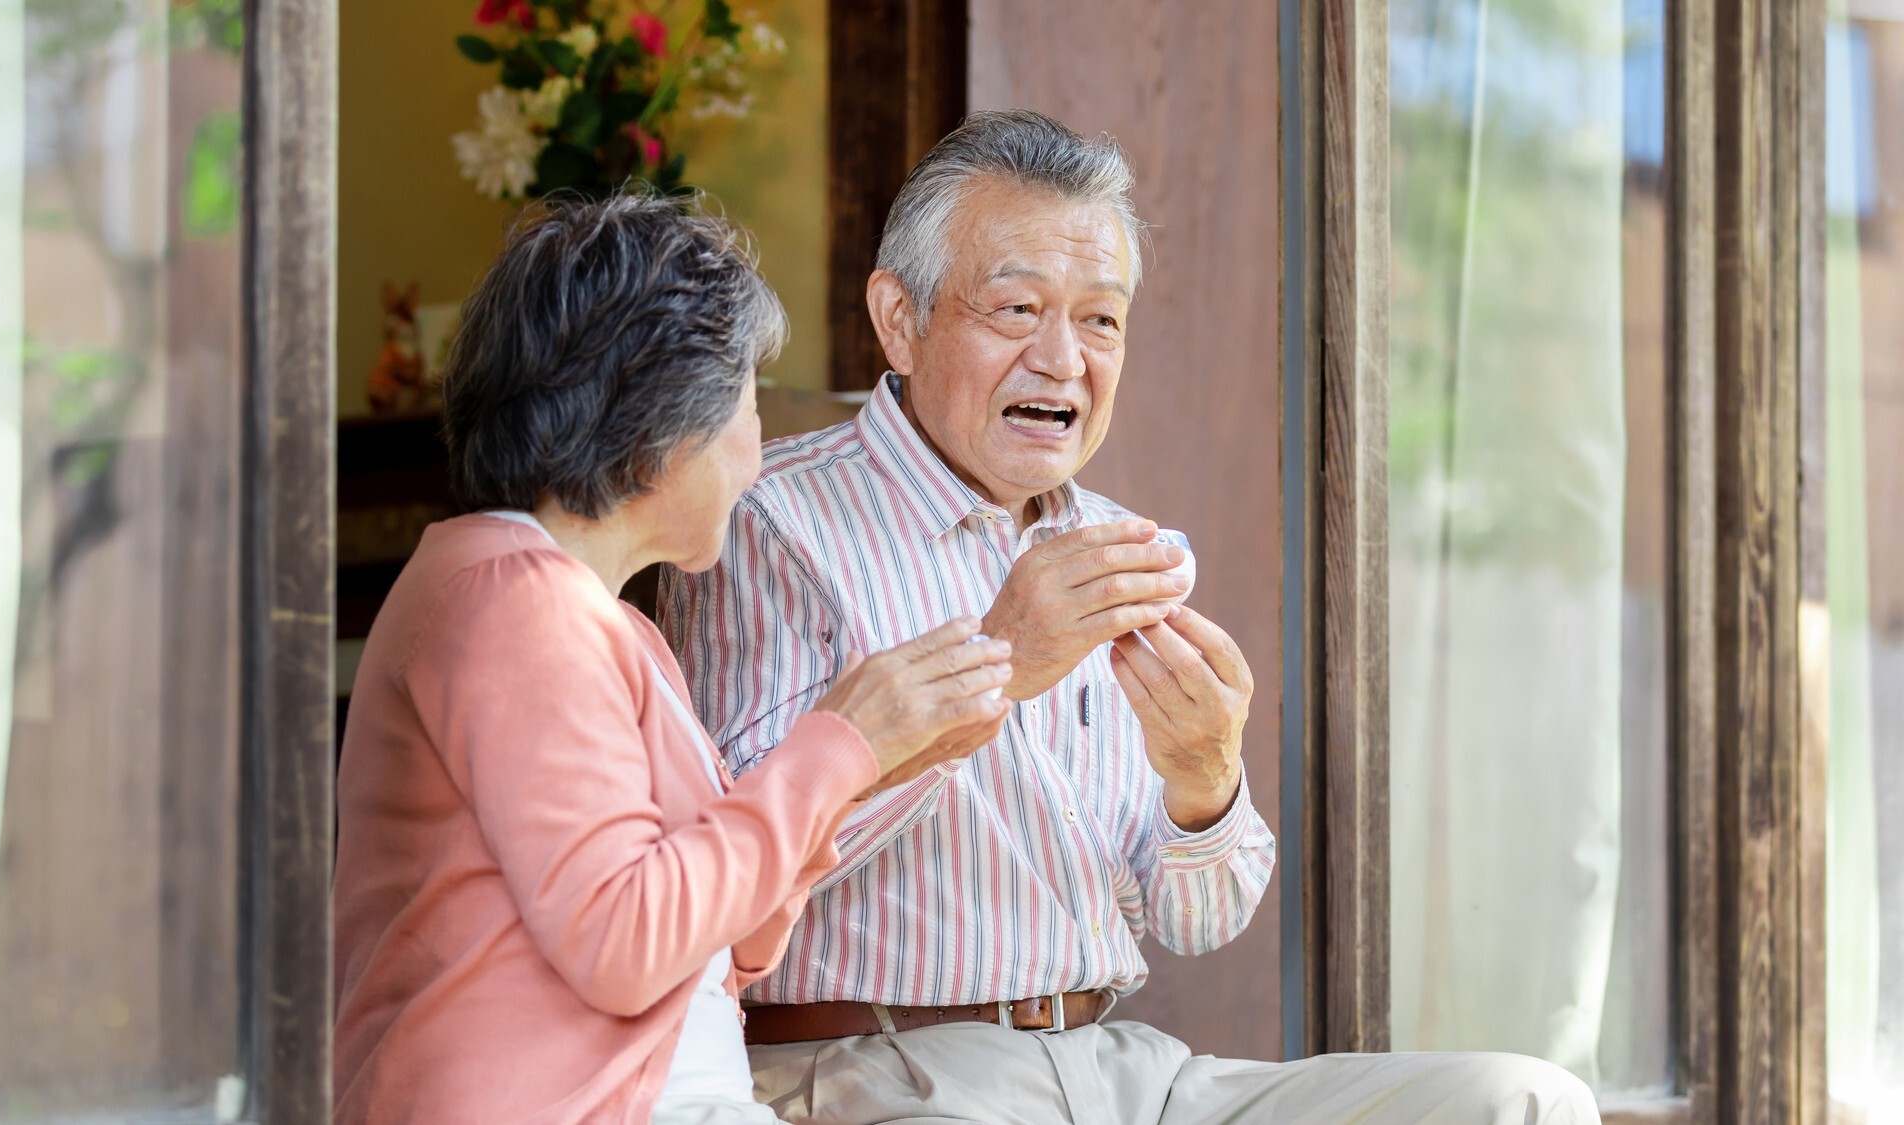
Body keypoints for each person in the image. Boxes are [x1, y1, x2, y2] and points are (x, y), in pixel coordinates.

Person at [659, 111, 1602, 1123]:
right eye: (1016, 308)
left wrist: (1204, 781)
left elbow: (1200, 917)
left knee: (1520, 1101)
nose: (1063, 359)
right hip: (885, 1069)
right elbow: (730, 872)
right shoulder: (767, 520)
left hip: (1125, 1071)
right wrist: (997, 668)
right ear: (900, 319)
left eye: (1099, 320)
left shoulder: (1123, 546)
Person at [332, 195, 1013, 1125]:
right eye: (746, 406)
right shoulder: (510, 601)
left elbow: (720, 946)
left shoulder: (594, 617)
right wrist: (837, 745)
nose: (757, 448)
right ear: (658, 427)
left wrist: (869, 764)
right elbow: (627, 943)